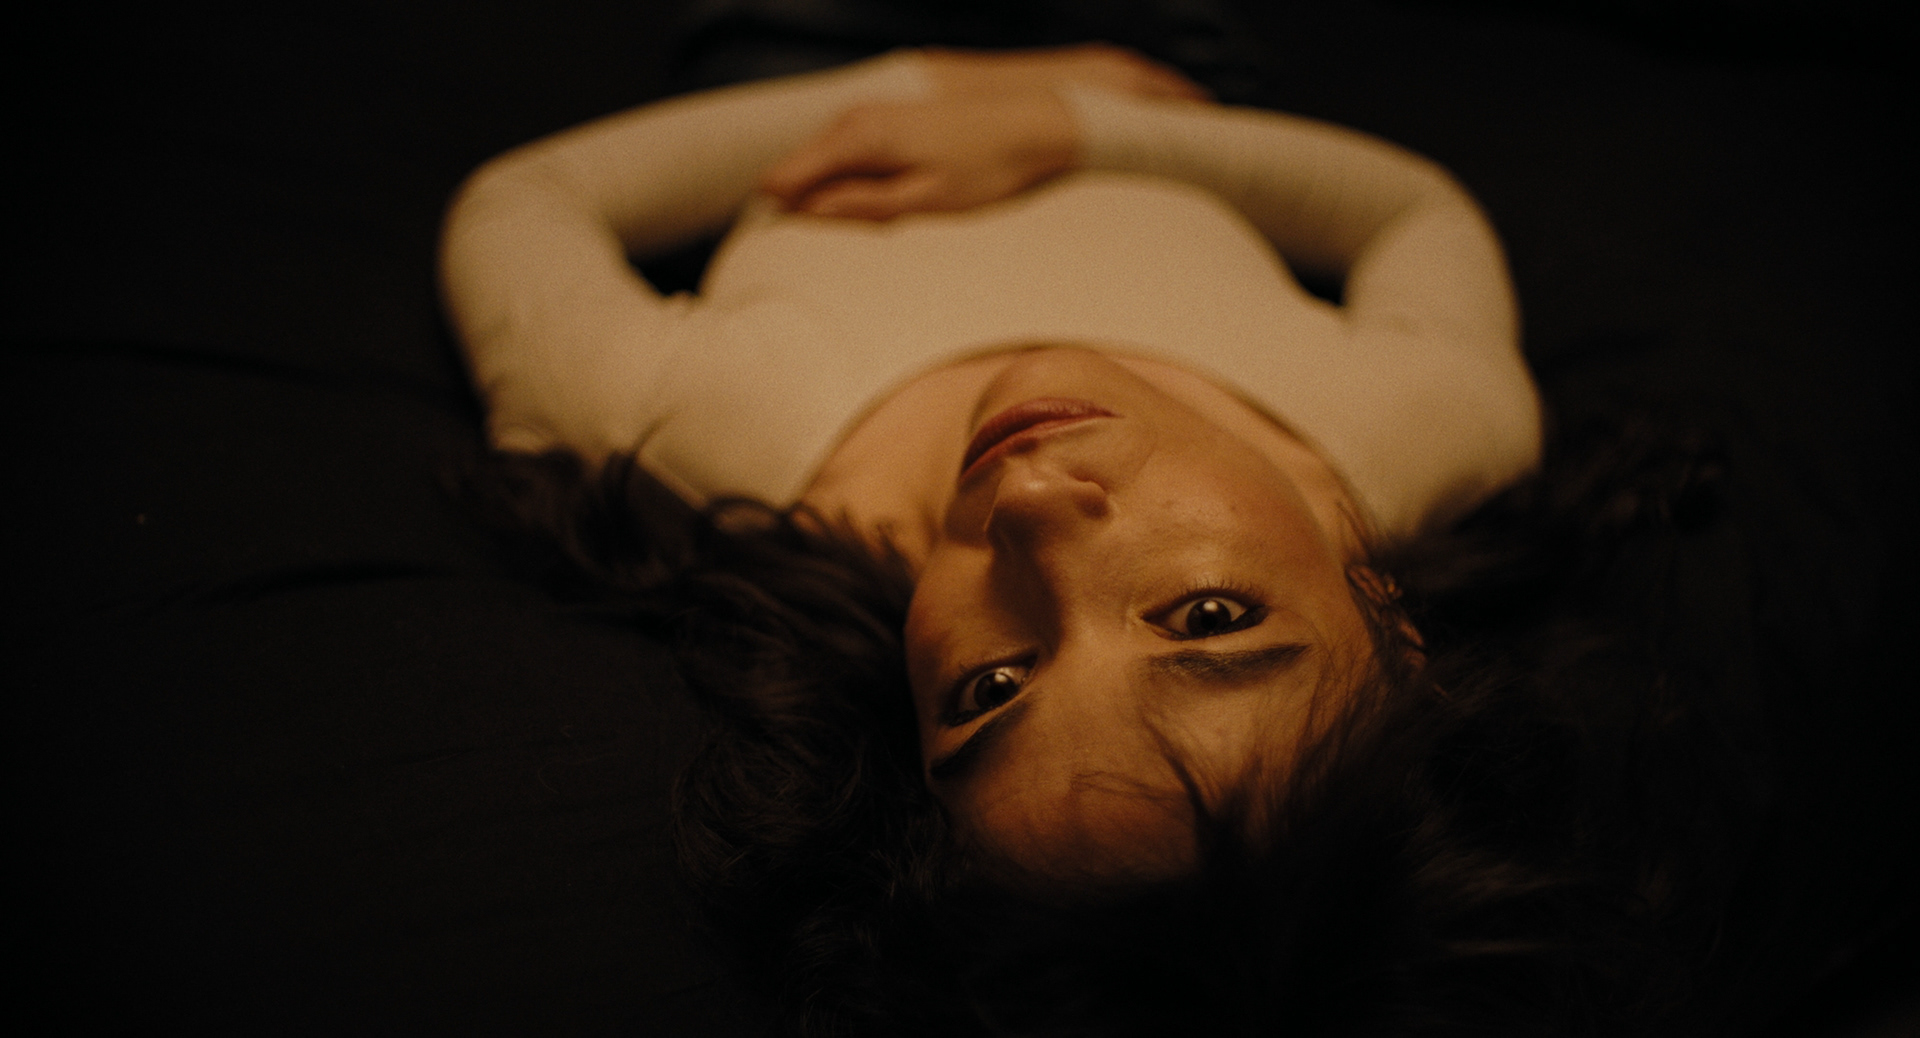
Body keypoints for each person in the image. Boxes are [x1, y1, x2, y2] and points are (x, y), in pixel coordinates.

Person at [440, 35, 1747, 1037]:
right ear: (1390, 623)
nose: (1027, 515)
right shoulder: (1433, 425)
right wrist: (1081, 120)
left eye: (990, 687)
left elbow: (523, 203)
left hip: (820, 73)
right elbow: (1415, 216)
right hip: (1160, 70)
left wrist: (928, 86)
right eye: (1208, 617)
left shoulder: (733, 446)